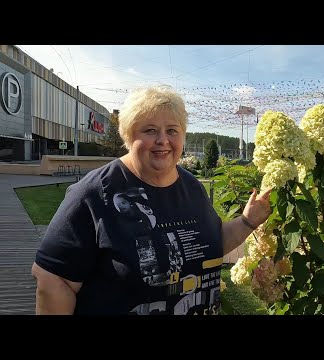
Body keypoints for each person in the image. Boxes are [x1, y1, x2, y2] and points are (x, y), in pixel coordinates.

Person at [31, 86, 272, 315]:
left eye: (172, 130)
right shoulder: (94, 193)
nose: (163, 140)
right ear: (128, 135)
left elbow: (209, 244)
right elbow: (54, 280)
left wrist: (247, 222)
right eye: (150, 130)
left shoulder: (193, 188)